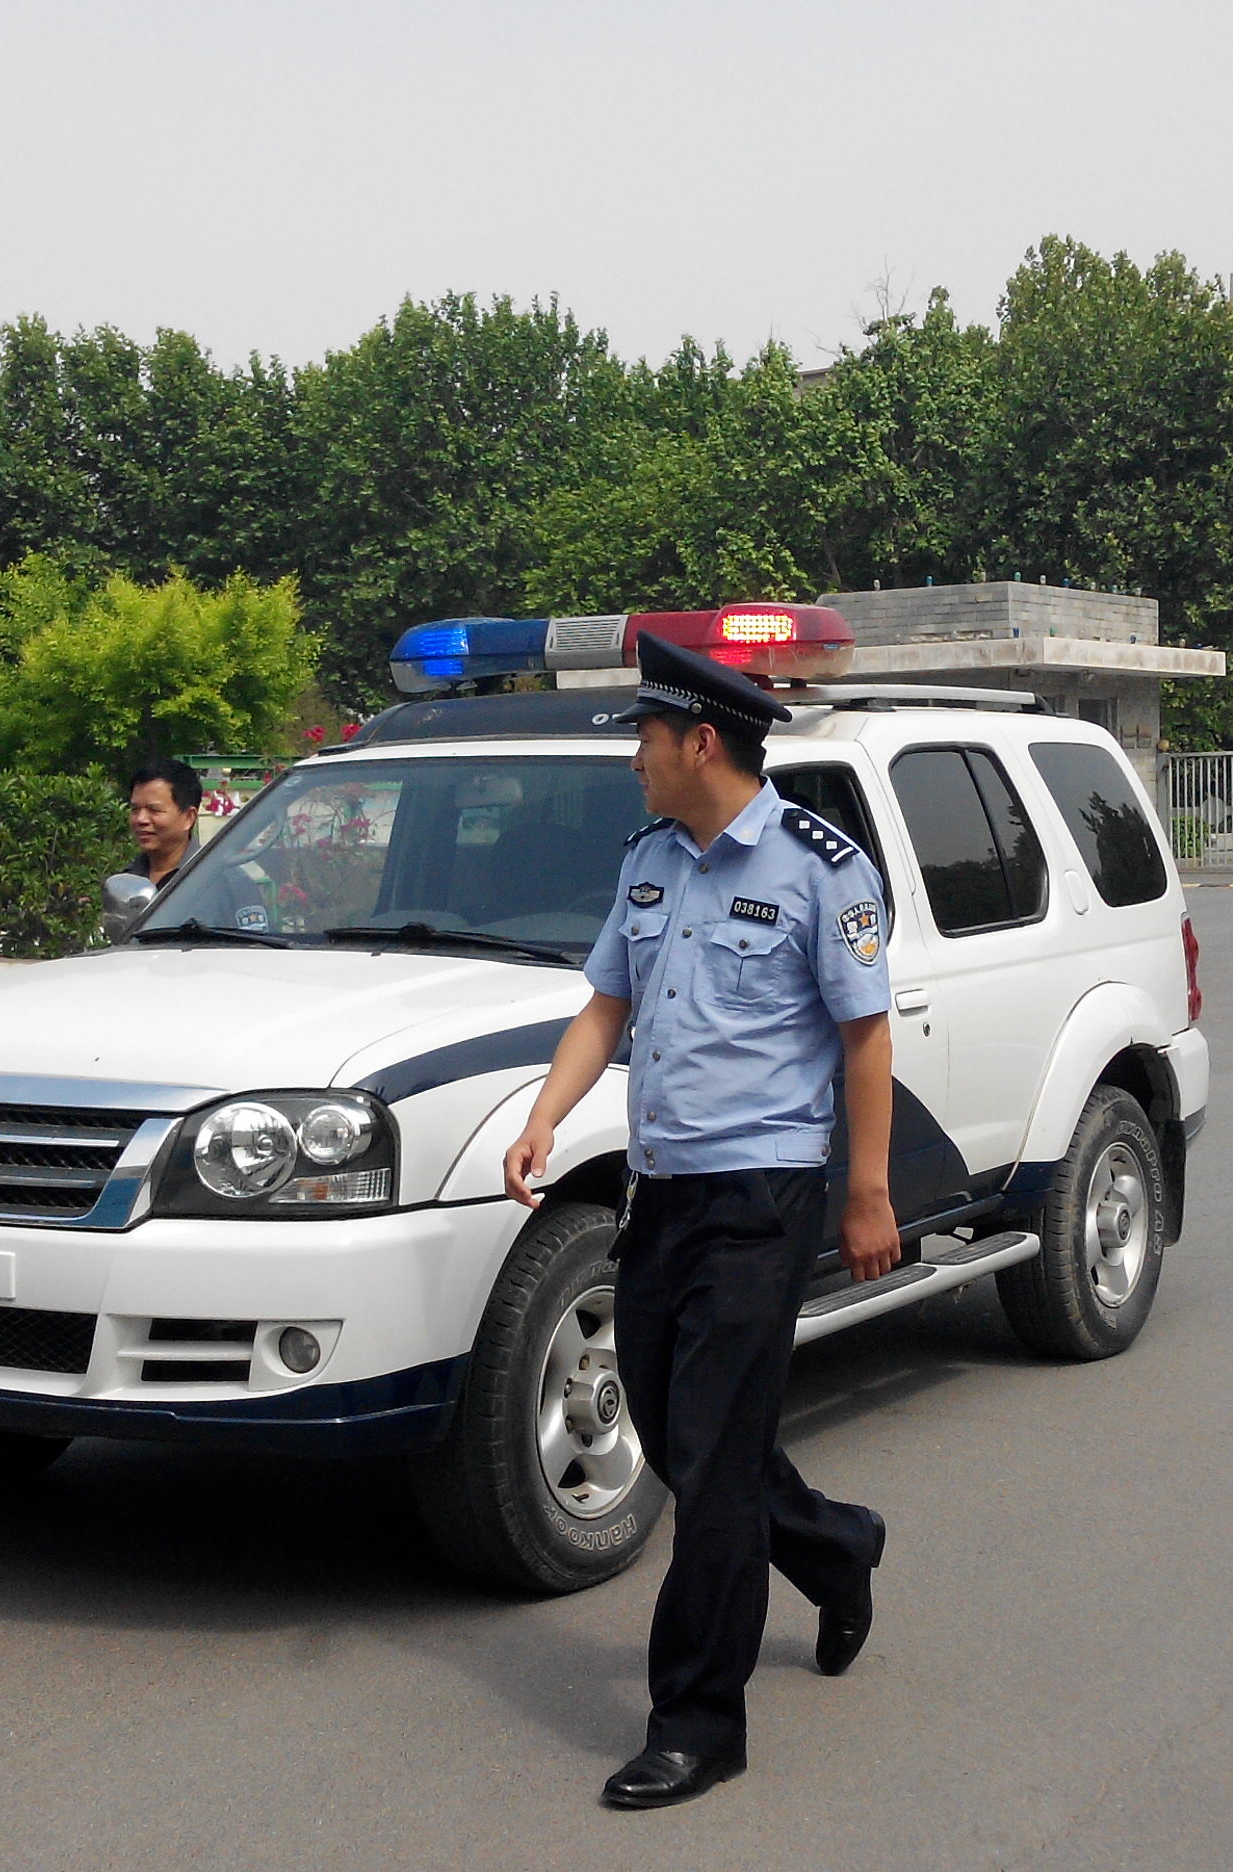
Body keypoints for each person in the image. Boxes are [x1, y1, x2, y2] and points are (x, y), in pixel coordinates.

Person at [500, 633, 899, 1811]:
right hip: (663, 1188)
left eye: (644, 737)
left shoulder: (821, 868)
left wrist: (868, 1192)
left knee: (713, 1467)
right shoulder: (650, 861)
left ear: (700, 742)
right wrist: (543, 1116)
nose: (633, 757)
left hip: (761, 1195)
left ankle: (697, 1722)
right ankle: (835, 1546)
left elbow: (866, 1037)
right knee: (682, 1435)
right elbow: (605, 1005)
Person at [123, 757, 206, 888]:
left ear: (188, 817)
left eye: (154, 810)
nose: (141, 819)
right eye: (135, 809)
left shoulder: (215, 879)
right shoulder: (127, 880)